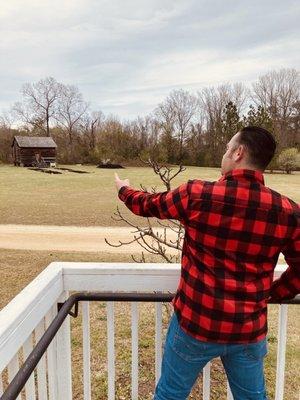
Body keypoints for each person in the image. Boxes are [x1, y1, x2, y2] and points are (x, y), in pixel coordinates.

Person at [114, 126, 300, 400]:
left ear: (239, 152)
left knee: (169, 395)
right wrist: (275, 293)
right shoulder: (287, 211)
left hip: (195, 326)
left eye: (227, 148)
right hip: (247, 331)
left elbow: (149, 205)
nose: (224, 153)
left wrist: (124, 190)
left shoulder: (198, 194)